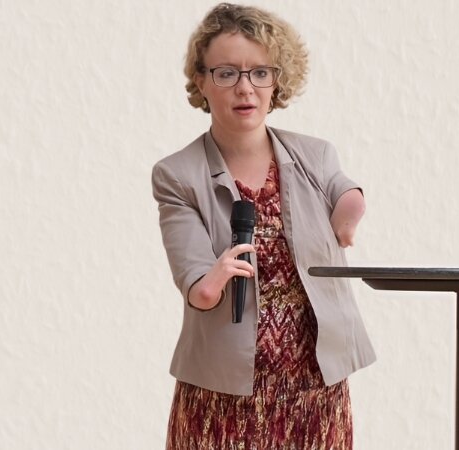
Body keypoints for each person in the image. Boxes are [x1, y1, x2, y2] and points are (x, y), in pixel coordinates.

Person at [151, 3, 375, 448]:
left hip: (315, 388)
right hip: (221, 393)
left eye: (259, 73)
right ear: (202, 81)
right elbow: (193, 275)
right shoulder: (176, 174)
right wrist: (209, 282)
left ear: (277, 81)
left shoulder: (316, 155)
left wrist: (349, 215)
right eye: (226, 72)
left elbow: (345, 192)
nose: (244, 88)